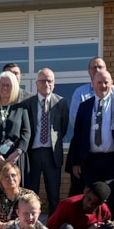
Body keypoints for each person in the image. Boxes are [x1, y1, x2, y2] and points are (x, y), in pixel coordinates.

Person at [66, 56, 114, 195]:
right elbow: (75, 122)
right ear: (89, 71)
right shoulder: (80, 93)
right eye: (94, 67)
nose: (97, 69)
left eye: (100, 67)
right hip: (89, 155)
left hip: (112, 156)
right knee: (88, 193)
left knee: (113, 192)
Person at [23, 68, 68, 213]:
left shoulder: (61, 102)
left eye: (49, 81)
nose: (46, 84)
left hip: (52, 154)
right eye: (42, 81)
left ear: (54, 84)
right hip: (32, 153)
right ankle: (30, 226)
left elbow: (63, 128)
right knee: (30, 193)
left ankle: (53, 226)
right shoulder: (28, 103)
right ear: (37, 84)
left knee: (54, 194)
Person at [0, 70, 31, 194]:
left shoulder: (20, 107)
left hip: (15, 157)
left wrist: (18, 152)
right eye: (1, 85)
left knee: (15, 192)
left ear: (14, 87)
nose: (4, 88)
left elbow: (26, 132)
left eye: (8, 85)